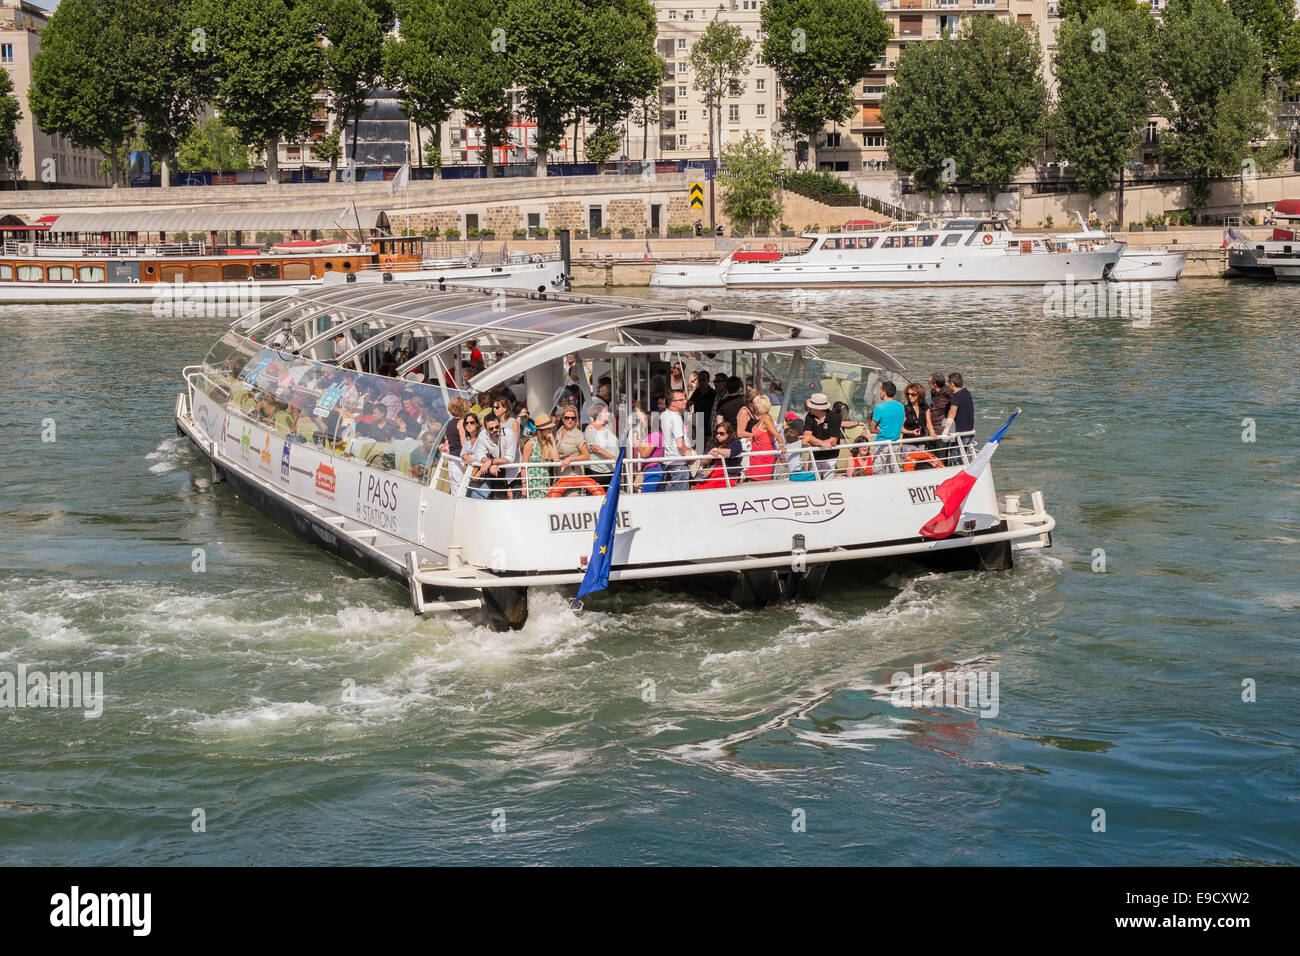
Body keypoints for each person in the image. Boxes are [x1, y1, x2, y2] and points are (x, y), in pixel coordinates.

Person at [743, 394, 784, 482]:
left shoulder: (766, 419)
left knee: (758, 482)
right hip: (756, 454)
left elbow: (777, 435)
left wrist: (781, 445)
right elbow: (763, 434)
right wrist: (753, 438)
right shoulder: (761, 418)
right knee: (751, 481)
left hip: (763, 456)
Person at [868, 381, 905, 474]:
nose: (880, 393)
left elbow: (873, 424)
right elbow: (902, 420)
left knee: (878, 471)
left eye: (881, 390)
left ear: (884, 392)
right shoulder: (901, 406)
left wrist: (873, 430)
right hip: (895, 443)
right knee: (891, 471)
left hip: (882, 443)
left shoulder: (879, 408)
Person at [802, 393, 841, 480]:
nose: (809, 408)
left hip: (830, 457)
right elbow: (807, 437)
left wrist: (813, 440)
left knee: (828, 484)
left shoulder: (834, 417)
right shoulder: (809, 416)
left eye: (811, 406)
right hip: (814, 456)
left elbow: (833, 441)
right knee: (812, 481)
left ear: (818, 409)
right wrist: (821, 442)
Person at [660, 389, 691, 492]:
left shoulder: (664, 415)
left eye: (685, 398)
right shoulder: (676, 418)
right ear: (673, 403)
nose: (685, 401)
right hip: (679, 464)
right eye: (681, 399)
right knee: (678, 500)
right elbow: (680, 446)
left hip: (669, 462)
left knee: (669, 496)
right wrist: (693, 457)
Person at [521, 413, 558, 498]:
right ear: (541, 430)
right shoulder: (530, 443)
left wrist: (553, 442)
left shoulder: (547, 443)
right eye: (547, 428)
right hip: (533, 483)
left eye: (550, 428)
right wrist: (524, 485)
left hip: (545, 482)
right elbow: (523, 466)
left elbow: (556, 459)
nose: (550, 430)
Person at [697, 421, 744, 488]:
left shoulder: (736, 443)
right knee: (698, 488)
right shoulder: (712, 443)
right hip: (710, 473)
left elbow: (731, 452)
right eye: (717, 433)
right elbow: (703, 463)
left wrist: (716, 450)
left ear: (729, 434)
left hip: (727, 474)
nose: (718, 436)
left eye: (721, 433)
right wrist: (710, 455)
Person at [584, 402, 620, 488]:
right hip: (598, 471)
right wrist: (613, 458)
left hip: (612, 469)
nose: (608, 414)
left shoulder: (608, 427)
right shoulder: (590, 429)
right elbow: (595, 448)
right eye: (606, 412)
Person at [944, 372, 975, 457]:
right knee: (964, 456)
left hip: (960, 434)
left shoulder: (956, 396)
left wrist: (946, 429)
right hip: (969, 432)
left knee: (955, 457)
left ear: (952, 384)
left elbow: (952, 412)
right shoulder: (967, 393)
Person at [555, 405, 589, 476]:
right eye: (567, 418)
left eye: (572, 418)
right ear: (563, 419)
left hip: (572, 473)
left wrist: (570, 459)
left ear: (576, 420)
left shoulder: (579, 435)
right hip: (558, 472)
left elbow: (586, 456)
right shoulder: (559, 431)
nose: (570, 420)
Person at [927, 372, 953, 463]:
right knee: (931, 453)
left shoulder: (948, 391)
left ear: (935, 384)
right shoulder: (933, 392)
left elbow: (955, 406)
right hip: (932, 426)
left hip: (942, 426)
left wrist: (949, 427)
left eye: (929, 383)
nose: (928, 385)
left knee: (941, 454)